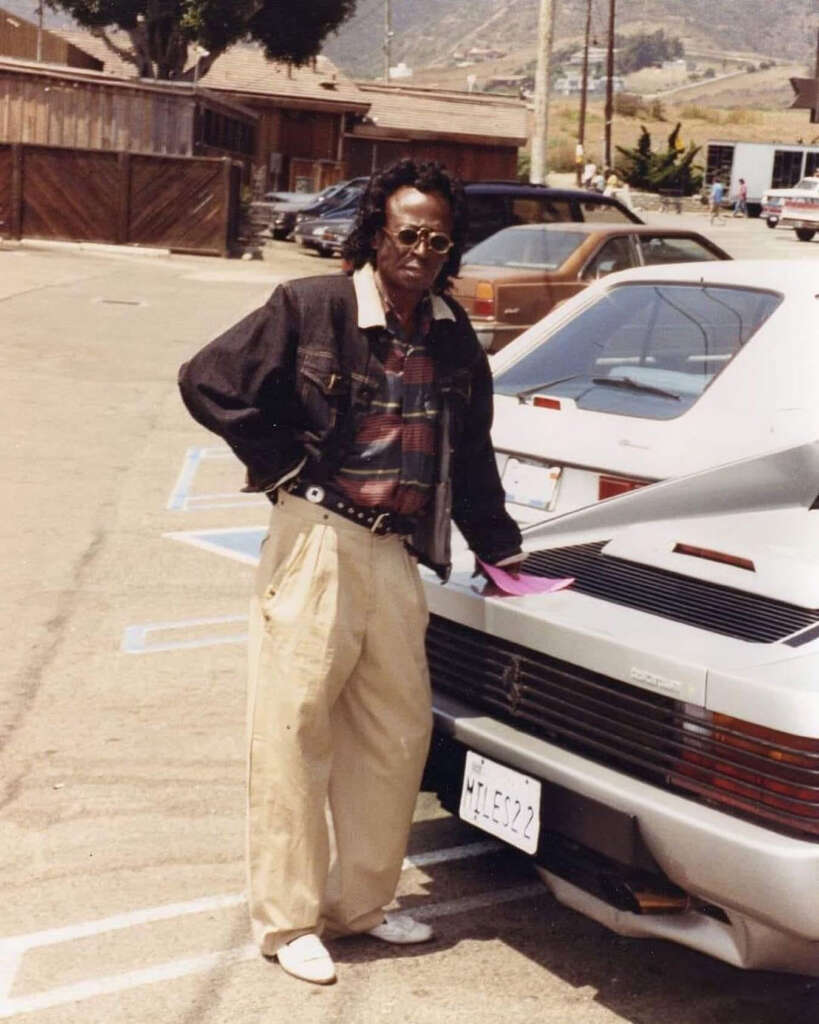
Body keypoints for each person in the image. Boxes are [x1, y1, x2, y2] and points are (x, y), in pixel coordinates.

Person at [177, 160, 523, 986]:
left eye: (438, 239)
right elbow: (208, 380)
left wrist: (500, 549)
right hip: (318, 542)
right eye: (407, 233)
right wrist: (282, 468)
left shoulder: (450, 336)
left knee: (394, 737)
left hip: (396, 553)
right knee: (293, 731)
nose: (421, 250)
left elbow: (468, 456)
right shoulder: (313, 307)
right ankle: (290, 921)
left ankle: (359, 906)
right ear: (375, 232)